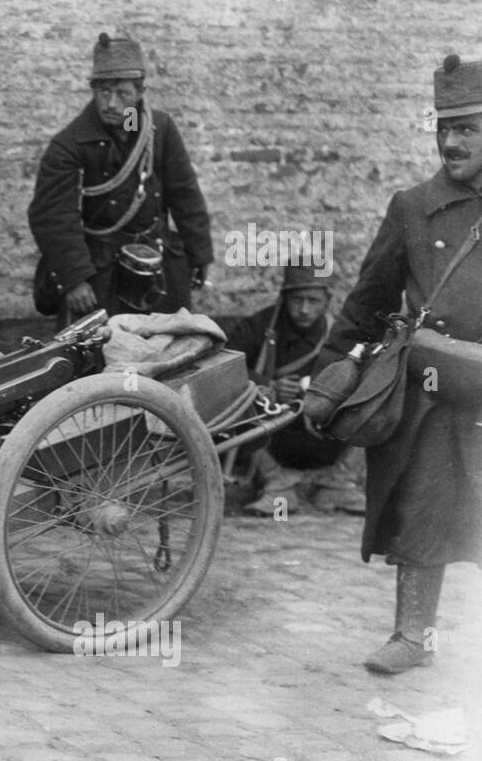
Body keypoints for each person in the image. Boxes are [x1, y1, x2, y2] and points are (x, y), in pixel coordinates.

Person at [314, 53, 482, 675]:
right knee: (421, 508)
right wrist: (329, 379)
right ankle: (412, 636)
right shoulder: (412, 207)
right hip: (433, 394)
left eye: (467, 127)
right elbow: (368, 301)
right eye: (444, 127)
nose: (451, 140)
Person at [29, 33, 214, 324]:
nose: (111, 103)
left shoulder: (158, 130)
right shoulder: (69, 146)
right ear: (93, 90)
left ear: (140, 91)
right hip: (99, 272)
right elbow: (53, 219)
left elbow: (185, 195)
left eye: (122, 93)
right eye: (103, 92)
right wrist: (75, 279)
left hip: (157, 264)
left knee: (167, 349)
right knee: (100, 358)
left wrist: (199, 253)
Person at [219, 255, 366, 516]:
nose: (305, 309)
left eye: (313, 301)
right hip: (272, 434)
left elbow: (364, 374)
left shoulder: (343, 333)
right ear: (283, 298)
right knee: (241, 397)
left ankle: (339, 483)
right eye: (297, 300)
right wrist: (268, 385)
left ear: (327, 300)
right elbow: (224, 367)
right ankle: (277, 484)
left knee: (377, 396)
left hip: (325, 433)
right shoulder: (258, 327)